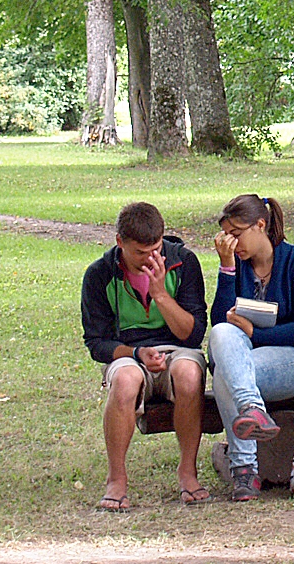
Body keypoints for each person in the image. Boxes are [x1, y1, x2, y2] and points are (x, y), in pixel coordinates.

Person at [81, 202, 209, 511]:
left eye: (156, 249)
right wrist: (137, 353)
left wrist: (161, 295)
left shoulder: (183, 263)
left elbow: (192, 335)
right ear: (120, 242)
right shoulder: (99, 275)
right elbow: (97, 343)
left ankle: (188, 473)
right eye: (140, 253)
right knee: (125, 379)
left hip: (177, 349)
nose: (150, 258)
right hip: (129, 354)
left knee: (189, 374)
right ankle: (116, 480)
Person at [209, 195, 294, 501]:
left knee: (227, 374)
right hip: (247, 361)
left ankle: (244, 470)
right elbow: (219, 323)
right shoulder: (237, 266)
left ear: (260, 225)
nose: (231, 243)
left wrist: (254, 333)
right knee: (222, 337)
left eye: (236, 234)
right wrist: (227, 269)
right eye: (226, 236)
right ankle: (251, 409)